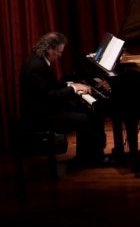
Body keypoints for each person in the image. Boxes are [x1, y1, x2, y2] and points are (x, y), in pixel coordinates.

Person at [19, 32, 109, 168]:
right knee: (86, 118)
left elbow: (50, 86)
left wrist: (74, 85)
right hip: (40, 116)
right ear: (49, 49)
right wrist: (73, 89)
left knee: (87, 110)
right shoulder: (37, 67)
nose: (60, 55)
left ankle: (87, 156)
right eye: (58, 51)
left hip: (44, 108)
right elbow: (50, 96)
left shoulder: (37, 60)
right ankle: (92, 158)